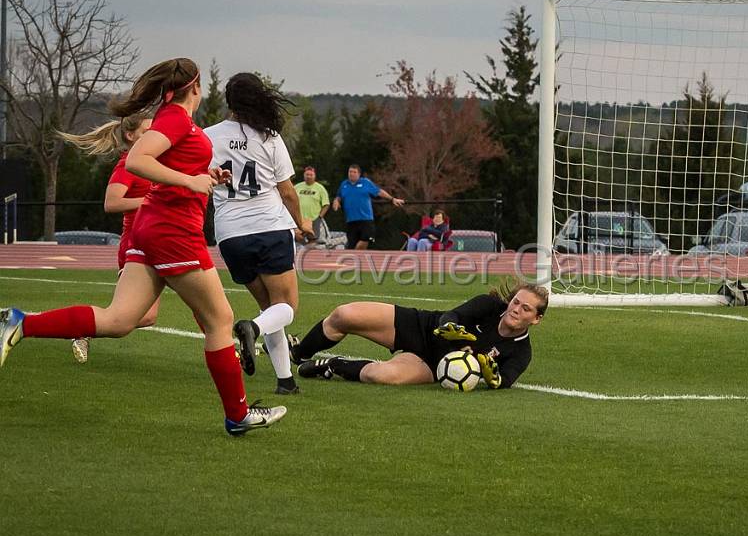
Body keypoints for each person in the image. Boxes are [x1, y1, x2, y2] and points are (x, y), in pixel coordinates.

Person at [0, 57, 286, 436]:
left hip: (151, 230)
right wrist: (189, 182)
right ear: (196, 88)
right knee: (219, 320)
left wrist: (204, 176)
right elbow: (137, 160)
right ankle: (238, 416)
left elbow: (161, 164)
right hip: (174, 231)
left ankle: (19, 321)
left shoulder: (174, 119)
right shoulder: (176, 118)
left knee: (118, 320)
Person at [206, 72, 312, 395]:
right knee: (287, 307)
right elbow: (288, 191)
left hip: (229, 236)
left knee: (271, 307)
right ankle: (250, 327)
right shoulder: (269, 137)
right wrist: (302, 223)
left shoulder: (207, 136)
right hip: (268, 227)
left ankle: (285, 381)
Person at [291, 280, 548, 388]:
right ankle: (298, 353)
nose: (515, 309)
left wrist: (492, 377)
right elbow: (452, 316)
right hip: (423, 326)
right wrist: (452, 330)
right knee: (344, 315)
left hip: (432, 365)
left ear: (536, 319)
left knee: (380, 375)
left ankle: (333, 366)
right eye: (515, 301)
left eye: (525, 308)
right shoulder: (489, 305)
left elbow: (506, 380)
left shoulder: (521, 351)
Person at [57, 113, 161, 363]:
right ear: (130, 135)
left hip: (154, 241)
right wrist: (152, 201)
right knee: (122, 315)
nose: (153, 137)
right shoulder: (128, 164)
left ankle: (84, 329)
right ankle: (230, 348)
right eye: (146, 132)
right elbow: (112, 202)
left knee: (147, 317)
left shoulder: (150, 162)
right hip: (135, 243)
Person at [330, 164, 405, 250]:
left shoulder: (365, 182)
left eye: (354, 172)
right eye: (350, 172)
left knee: (365, 239)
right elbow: (339, 196)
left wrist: (392, 199)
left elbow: (379, 191)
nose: (352, 174)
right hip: (351, 220)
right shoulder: (344, 184)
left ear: (359, 174)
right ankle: (356, 259)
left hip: (365, 219)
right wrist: (336, 201)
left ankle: (357, 255)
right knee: (352, 245)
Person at [295, 166, 330, 245]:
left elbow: (326, 204)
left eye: (311, 175)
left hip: (314, 218)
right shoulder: (297, 187)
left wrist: (320, 217)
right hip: (299, 218)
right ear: (304, 175)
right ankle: (303, 248)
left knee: (313, 239)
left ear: (314, 176)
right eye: (307, 174)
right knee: (297, 236)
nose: (309, 177)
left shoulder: (320, 188)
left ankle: (308, 253)